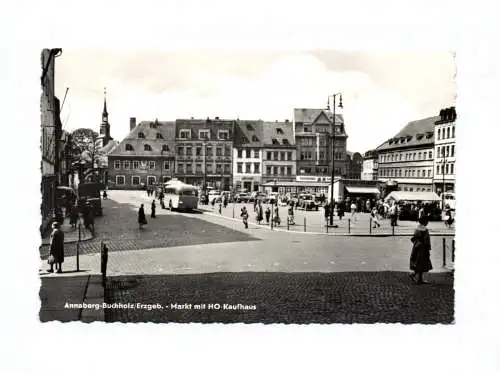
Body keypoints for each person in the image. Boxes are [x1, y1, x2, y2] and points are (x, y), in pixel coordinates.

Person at [409, 216, 433, 284]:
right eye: (427, 221)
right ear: (424, 221)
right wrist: (428, 248)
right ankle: (414, 275)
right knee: (423, 262)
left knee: (418, 262)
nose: (428, 222)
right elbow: (427, 240)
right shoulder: (425, 229)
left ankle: (419, 279)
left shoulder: (417, 228)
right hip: (423, 248)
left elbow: (413, 238)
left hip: (416, 247)